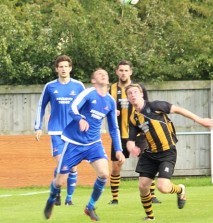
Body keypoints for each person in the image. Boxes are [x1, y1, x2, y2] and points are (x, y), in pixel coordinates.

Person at [125, 84, 213, 220]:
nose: (133, 95)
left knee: (163, 187)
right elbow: (130, 139)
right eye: (130, 93)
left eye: (135, 92)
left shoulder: (155, 106)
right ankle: (150, 217)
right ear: (127, 98)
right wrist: (131, 147)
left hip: (167, 152)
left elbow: (179, 110)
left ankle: (180, 190)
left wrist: (200, 120)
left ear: (141, 94)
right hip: (150, 154)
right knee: (143, 186)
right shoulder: (134, 118)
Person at [43, 68, 125, 221]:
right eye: (99, 74)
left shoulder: (110, 101)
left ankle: (90, 207)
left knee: (104, 174)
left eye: (105, 74)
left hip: (94, 143)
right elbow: (72, 108)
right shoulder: (88, 93)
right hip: (74, 143)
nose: (103, 75)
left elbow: (114, 128)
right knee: (60, 181)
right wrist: (80, 119)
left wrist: (119, 149)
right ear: (93, 80)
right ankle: (51, 199)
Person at [108, 60, 161, 205]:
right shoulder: (111, 89)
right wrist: (111, 111)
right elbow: (104, 107)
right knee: (116, 166)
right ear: (117, 72)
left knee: (147, 164)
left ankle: (152, 195)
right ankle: (114, 199)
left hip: (139, 134)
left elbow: (147, 107)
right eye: (121, 70)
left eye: (126, 70)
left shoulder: (138, 88)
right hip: (118, 135)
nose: (123, 73)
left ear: (130, 72)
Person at [34, 55, 85, 206]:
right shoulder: (50, 86)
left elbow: (86, 106)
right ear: (57, 69)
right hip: (56, 131)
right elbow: (40, 106)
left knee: (73, 166)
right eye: (60, 66)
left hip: (73, 133)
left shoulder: (78, 86)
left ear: (70, 68)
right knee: (62, 163)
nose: (63, 69)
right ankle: (57, 192)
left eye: (66, 66)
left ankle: (69, 199)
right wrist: (38, 126)